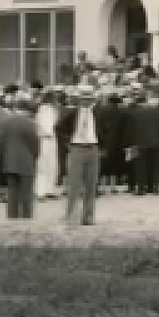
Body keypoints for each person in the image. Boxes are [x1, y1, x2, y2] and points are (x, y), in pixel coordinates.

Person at [61, 85, 101, 226]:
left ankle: (88, 217)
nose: (86, 101)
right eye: (83, 98)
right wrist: (68, 143)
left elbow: (106, 130)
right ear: (79, 99)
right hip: (77, 147)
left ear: (92, 100)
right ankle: (71, 216)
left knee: (91, 185)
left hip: (93, 148)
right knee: (74, 185)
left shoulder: (97, 113)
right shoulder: (71, 113)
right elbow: (59, 127)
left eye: (88, 98)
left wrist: (102, 146)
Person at [0, 100, 41, 219]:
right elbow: (35, 143)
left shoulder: (5, 122)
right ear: (27, 110)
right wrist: (35, 156)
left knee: (12, 191)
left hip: (9, 161)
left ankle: (12, 215)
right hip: (26, 161)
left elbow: (0, 143)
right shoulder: (30, 123)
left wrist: (2, 159)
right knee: (26, 192)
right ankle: (26, 216)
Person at [35, 90, 62, 200]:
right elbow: (46, 125)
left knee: (52, 165)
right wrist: (49, 132)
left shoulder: (50, 110)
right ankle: (41, 192)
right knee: (43, 165)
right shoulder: (44, 110)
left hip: (50, 139)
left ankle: (49, 190)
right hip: (45, 139)